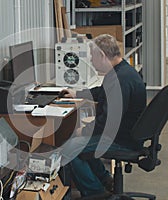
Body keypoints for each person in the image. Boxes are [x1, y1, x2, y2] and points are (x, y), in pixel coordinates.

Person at [60, 34, 147, 198]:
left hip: (121, 139)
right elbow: (102, 92)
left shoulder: (120, 80)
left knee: (69, 149)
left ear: (101, 55)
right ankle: (106, 180)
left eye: (92, 57)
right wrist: (77, 93)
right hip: (126, 133)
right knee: (81, 145)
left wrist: (83, 131)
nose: (91, 61)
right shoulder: (122, 71)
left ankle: (96, 193)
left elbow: (107, 122)